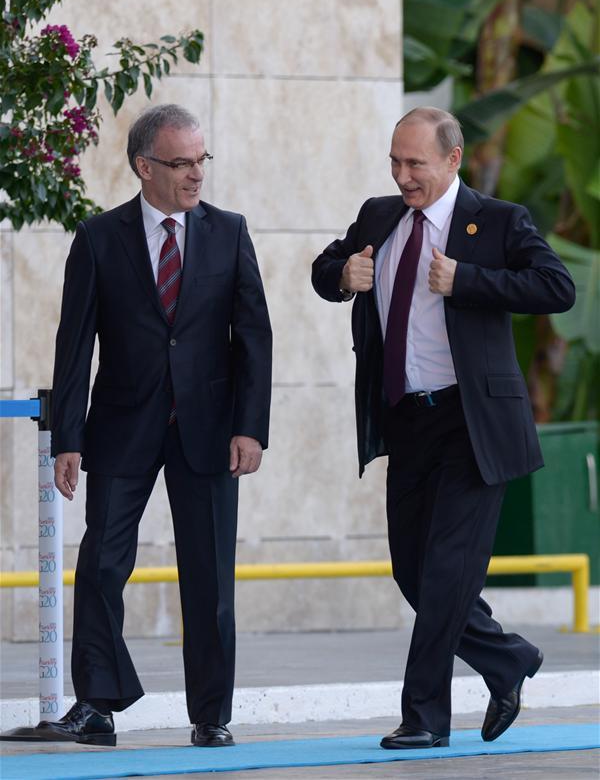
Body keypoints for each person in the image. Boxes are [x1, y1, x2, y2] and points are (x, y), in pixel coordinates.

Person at [311, 107, 575, 750]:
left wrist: (469, 280)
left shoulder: (498, 221)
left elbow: (557, 286)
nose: (403, 176)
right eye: (395, 163)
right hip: (408, 421)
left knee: (450, 569)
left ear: (452, 161)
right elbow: (324, 267)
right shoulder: (379, 216)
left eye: (416, 164)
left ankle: (424, 716)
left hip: (474, 423)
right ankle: (506, 658)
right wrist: (342, 277)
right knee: (412, 571)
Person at [38, 104, 272, 748]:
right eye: (181, 163)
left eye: (202, 160)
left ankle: (211, 715)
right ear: (145, 167)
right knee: (103, 565)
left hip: (210, 430)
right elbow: (73, 345)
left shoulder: (229, 231)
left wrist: (251, 427)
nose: (196, 174)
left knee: (210, 577)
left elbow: (253, 335)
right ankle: (99, 704)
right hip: (121, 428)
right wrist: (69, 437)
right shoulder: (98, 237)